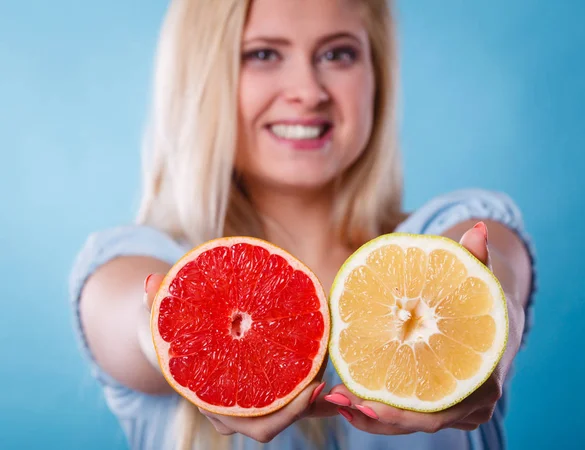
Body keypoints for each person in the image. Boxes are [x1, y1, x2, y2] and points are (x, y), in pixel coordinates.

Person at [69, 0, 536, 449]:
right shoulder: (134, 258)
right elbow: (130, 317)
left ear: (377, 74)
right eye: (263, 54)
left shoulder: (449, 227)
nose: (309, 91)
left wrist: (496, 328)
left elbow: (501, 282)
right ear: (200, 76)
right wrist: (178, 347)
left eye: (337, 54)